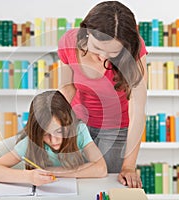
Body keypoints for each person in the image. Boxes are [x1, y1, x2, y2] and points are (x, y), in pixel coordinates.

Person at [58, 1, 147, 188]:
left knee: (107, 185)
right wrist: (50, 121)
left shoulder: (135, 48)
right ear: (87, 33)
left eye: (114, 52)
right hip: (79, 125)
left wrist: (129, 167)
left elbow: (137, 108)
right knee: (74, 184)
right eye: (97, 48)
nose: (104, 57)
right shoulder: (69, 41)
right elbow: (67, 88)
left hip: (116, 129)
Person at [0, 90, 107, 186]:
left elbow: (101, 169)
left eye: (59, 131)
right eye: (46, 134)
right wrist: (29, 177)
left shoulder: (79, 131)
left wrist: (53, 171)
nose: (54, 141)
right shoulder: (31, 142)